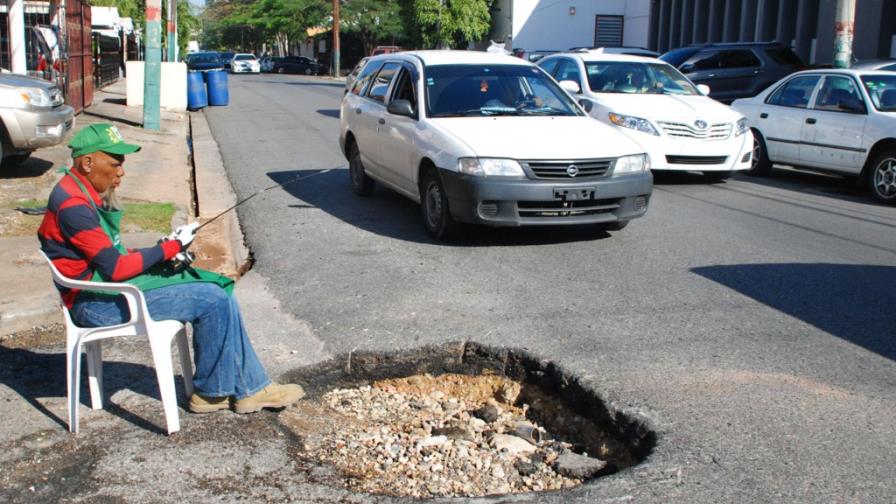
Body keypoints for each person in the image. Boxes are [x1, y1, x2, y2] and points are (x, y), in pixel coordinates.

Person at [38, 123, 303, 415]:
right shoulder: (74, 205)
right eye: (115, 163)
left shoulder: (76, 191)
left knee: (217, 286)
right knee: (213, 299)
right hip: (95, 303)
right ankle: (217, 392)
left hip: (101, 290)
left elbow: (106, 255)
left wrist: (158, 251)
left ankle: (243, 388)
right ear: (87, 163)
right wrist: (168, 248)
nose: (121, 172)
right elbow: (114, 267)